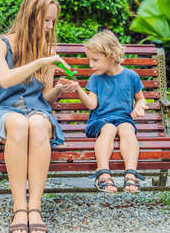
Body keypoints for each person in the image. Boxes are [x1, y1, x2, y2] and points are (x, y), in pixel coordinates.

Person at [0, 0, 73, 233]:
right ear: (30, 16)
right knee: (20, 123)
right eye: (46, 20)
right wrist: (41, 62)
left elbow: (44, 99)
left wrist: (59, 90)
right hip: (1, 112)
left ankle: (35, 208)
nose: (50, 26)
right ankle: (19, 208)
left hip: (37, 113)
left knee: (38, 123)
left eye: (53, 21)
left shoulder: (47, 48)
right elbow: (6, 79)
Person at [61, 30, 148, 193]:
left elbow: (141, 98)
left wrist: (139, 106)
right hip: (100, 121)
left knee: (128, 129)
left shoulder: (131, 76)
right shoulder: (95, 78)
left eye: (95, 60)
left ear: (111, 56)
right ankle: (103, 174)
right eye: (89, 60)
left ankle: (131, 173)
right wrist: (78, 89)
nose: (90, 65)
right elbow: (92, 105)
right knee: (109, 129)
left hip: (123, 119)